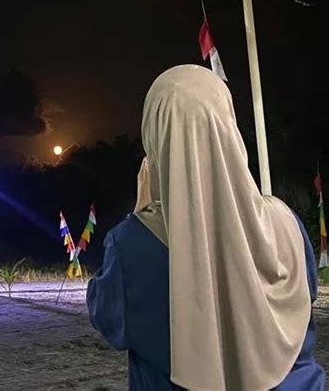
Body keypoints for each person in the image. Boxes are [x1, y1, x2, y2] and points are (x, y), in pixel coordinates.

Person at [87, 65, 326, 390]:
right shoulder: (286, 223)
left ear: (153, 137)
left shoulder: (131, 243)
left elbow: (109, 317)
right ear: (228, 126)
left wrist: (142, 212)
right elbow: (306, 295)